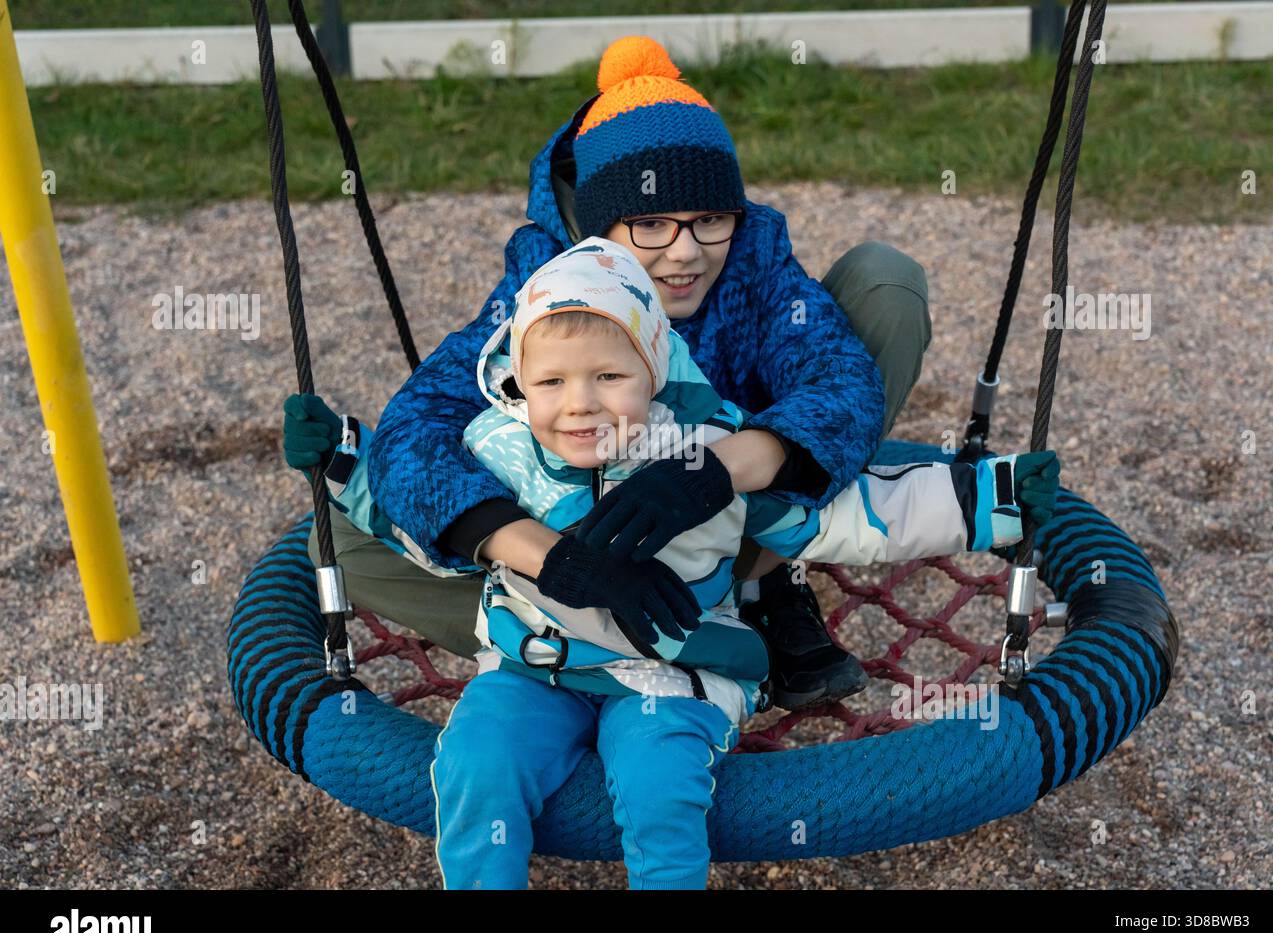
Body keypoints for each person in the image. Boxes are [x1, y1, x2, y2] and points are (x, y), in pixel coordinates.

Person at [292, 238, 1060, 889]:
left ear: (654, 369)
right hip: (535, 664)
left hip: (674, 669)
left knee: (661, 792)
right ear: (520, 383)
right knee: (473, 765)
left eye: (609, 377)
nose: (581, 404)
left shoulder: (704, 454)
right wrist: (340, 456)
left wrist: (988, 498)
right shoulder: (497, 451)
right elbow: (410, 511)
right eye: (552, 382)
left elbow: (851, 516)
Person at [298, 34, 936, 711]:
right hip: (578, 535)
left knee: (885, 283)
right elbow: (413, 428)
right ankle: (574, 629)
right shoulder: (548, 285)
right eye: (652, 223)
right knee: (334, 536)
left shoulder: (752, 256)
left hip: (731, 524)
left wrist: (715, 469)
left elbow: (844, 383)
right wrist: (553, 557)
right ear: (599, 232)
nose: (686, 253)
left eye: (709, 219)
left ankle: (759, 584)